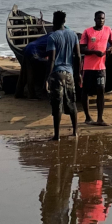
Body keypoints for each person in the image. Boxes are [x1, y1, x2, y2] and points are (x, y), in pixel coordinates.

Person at [40, 10, 80, 140]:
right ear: (65, 21)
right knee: (72, 102)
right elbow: (78, 56)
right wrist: (78, 73)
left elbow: (51, 59)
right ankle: (75, 132)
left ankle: (57, 135)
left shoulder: (52, 37)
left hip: (57, 73)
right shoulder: (73, 35)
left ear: (55, 21)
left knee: (57, 105)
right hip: (70, 73)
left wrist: (46, 78)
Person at [80, 10, 112, 126]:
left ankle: (100, 118)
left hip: (101, 68)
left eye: (103, 19)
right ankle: (88, 117)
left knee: (101, 91)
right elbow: (82, 49)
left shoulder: (108, 30)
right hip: (88, 68)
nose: (101, 21)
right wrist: (95, 52)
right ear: (95, 19)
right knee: (85, 91)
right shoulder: (87, 32)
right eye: (99, 18)